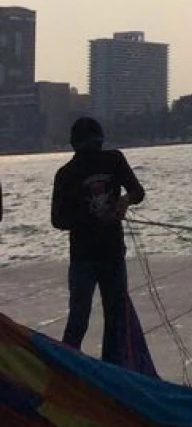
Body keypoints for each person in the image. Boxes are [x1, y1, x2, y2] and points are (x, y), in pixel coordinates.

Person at [50, 116, 145, 361]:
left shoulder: (114, 160)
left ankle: (111, 369)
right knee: (79, 319)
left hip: (112, 253)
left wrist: (125, 200)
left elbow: (138, 191)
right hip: (84, 258)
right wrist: (90, 217)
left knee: (114, 318)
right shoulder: (66, 174)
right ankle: (69, 368)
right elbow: (58, 219)